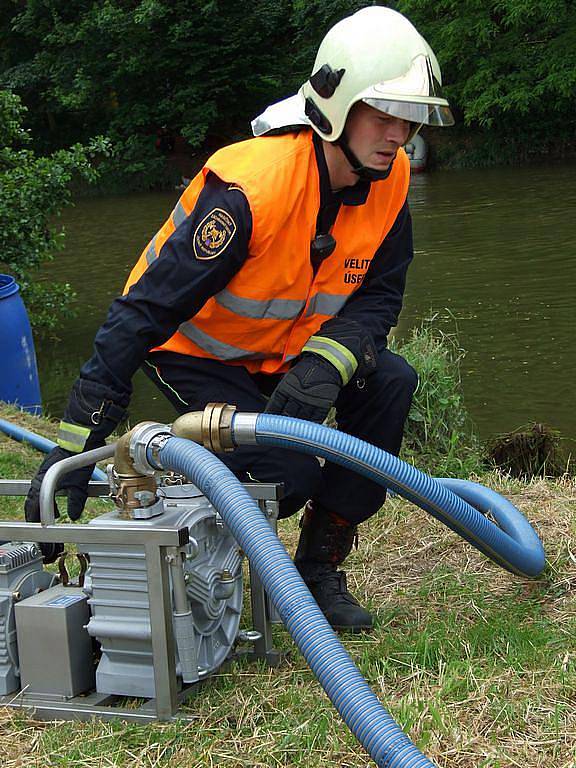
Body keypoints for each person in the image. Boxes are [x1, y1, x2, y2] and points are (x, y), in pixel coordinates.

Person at [25, 7, 454, 631]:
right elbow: (141, 311)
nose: (399, 133)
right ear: (336, 106)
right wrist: (76, 437)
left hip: (285, 354)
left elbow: (379, 297)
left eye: (409, 118)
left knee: (391, 381)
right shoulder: (253, 189)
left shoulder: (390, 180)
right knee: (288, 474)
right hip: (197, 354)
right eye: (383, 115)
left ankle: (317, 571)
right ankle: (184, 498)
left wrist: (322, 367)